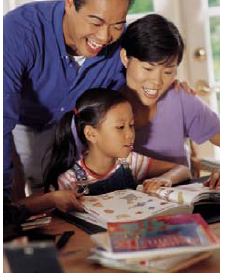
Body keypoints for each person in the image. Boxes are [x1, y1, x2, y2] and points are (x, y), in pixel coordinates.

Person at [3, 0, 138, 201]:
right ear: (69, 2)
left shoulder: (123, 44)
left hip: (73, 134)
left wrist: (173, 91)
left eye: (117, 25)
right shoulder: (17, 32)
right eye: (96, 22)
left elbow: (146, 78)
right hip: (16, 127)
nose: (105, 37)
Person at [20, 88, 190, 214]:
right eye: (120, 127)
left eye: (131, 125)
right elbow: (25, 207)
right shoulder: (69, 180)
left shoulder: (132, 162)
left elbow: (182, 170)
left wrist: (164, 179)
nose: (130, 134)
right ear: (91, 134)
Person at [120, 14, 220, 189]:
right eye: (148, 68)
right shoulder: (104, 108)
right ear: (125, 58)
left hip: (181, 207)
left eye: (167, 72)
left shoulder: (181, 98)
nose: (157, 81)